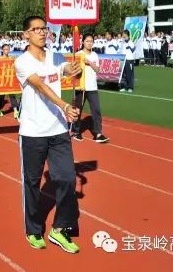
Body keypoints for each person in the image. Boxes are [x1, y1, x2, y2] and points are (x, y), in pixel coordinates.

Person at [14, 15, 81, 253]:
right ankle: (33, 230)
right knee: (32, 183)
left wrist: (73, 68)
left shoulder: (56, 56)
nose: (42, 33)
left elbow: (66, 69)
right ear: (26, 35)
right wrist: (64, 106)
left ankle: (60, 229)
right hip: (33, 132)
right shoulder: (22, 62)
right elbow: (41, 87)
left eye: (44, 29)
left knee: (67, 178)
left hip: (58, 130)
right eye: (36, 29)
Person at [72, 34, 109, 143]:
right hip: (81, 87)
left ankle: (98, 134)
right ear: (83, 42)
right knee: (78, 110)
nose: (89, 43)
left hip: (92, 87)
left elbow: (97, 69)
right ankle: (77, 131)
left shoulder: (94, 55)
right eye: (87, 41)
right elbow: (73, 70)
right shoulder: (78, 54)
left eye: (91, 41)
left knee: (96, 110)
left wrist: (89, 63)